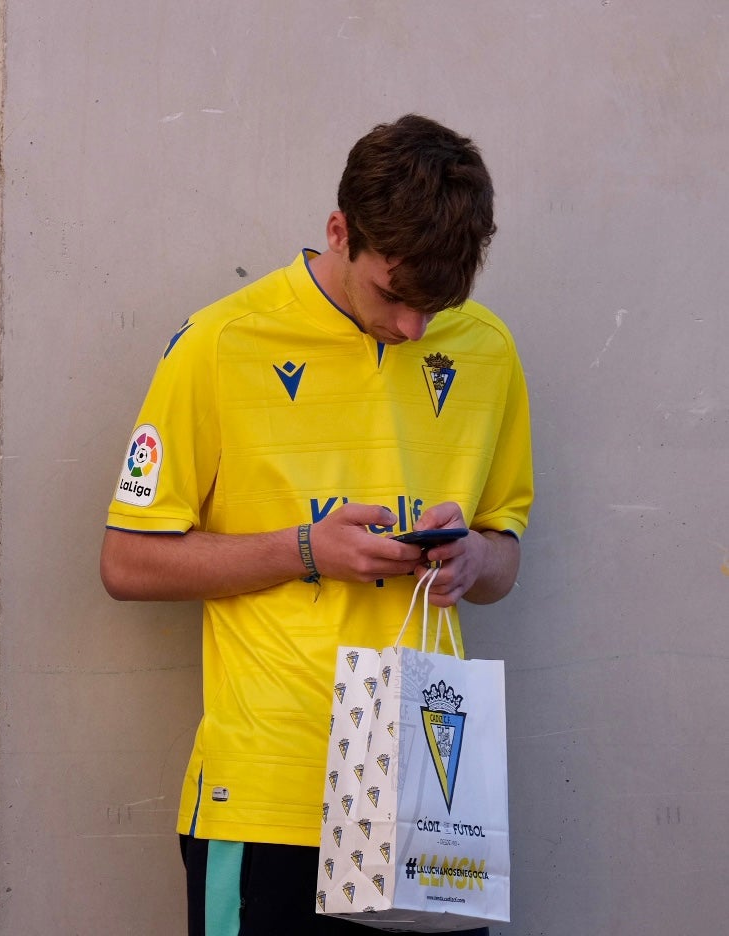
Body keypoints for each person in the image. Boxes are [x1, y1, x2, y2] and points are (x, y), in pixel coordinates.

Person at [99, 114, 532, 935]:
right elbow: (126, 561)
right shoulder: (221, 341)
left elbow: (507, 552)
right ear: (339, 231)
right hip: (267, 800)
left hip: (429, 806)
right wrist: (306, 549)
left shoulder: (489, 351)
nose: (412, 328)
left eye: (437, 307)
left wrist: (476, 558)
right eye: (395, 296)